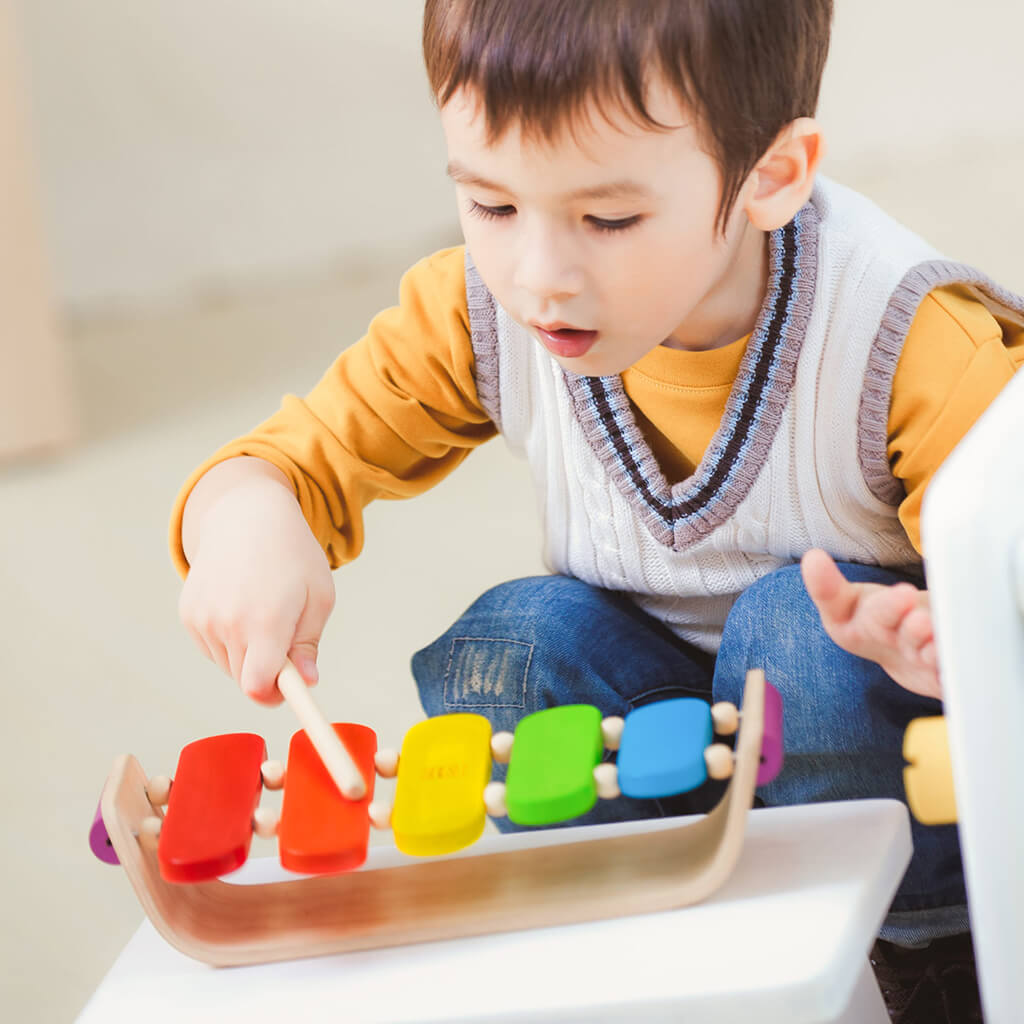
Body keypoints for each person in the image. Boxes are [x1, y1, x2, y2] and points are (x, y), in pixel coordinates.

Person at [172, 2, 1021, 1019]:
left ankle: (925, 960)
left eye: (606, 219)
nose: (538, 275)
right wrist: (247, 515)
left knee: (796, 637)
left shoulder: (910, 339)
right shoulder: (480, 312)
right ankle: (642, 933)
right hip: (659, 738)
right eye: (490, 206)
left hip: (874, 771)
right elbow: (290, 458)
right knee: (516, 641)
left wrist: (962, 642)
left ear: (771, 174)